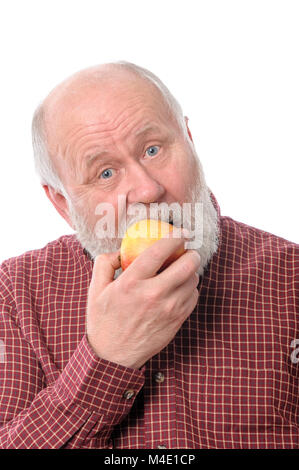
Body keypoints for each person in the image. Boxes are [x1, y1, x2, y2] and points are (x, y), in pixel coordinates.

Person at [0, 61, 298, 449]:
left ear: (188, 138)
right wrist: (107, 357)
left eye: (153, 149)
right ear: (62, 203)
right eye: (105, 173)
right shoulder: (15, 296)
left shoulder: (291, 278)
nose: (146, 190)